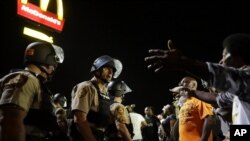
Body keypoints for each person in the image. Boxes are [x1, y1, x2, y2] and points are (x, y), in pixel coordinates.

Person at [0, 41, 64, 141]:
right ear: (47, 61)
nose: (53, 68)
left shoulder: (33, 81)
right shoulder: (26, 79)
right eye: (53, 64)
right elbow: (12, 120)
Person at [70, 55, 123, 141]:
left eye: (112, 70)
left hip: (99, 136)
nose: (111, 72)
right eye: (107, 68)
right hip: (84, 136)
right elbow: (80, 120)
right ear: (97, 70)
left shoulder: (105, 93)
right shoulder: (86, 87)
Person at [171, 76, 214, 141]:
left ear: (193, 85)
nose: (181, 85)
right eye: (181, 83)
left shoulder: (200, 99)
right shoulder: (186, 102)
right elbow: (181, 121)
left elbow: (209, 119)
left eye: (185, 82)